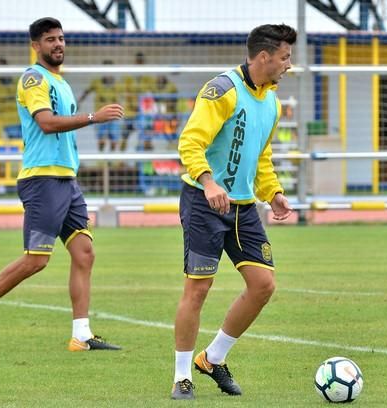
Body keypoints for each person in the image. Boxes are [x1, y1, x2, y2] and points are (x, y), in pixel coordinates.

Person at [0, 17, 124, 353]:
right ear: (36, 45)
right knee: (36, 260)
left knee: (84, 253)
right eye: (50, 39)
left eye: (61, 38)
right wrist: (94, 117)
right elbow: (46, 123)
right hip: (42, 178)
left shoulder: (61, 82)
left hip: (66, 179)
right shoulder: (34, 78)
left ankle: (81, 335)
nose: (58, 44)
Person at [170, 23, 296, 400]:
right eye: (286, 57)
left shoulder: (272, 101)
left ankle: (213, 358)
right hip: (203, 203)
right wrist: (209, 182)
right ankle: (181, 377)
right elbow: (191, 142)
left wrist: (272, 192)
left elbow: (261, 157)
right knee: (198, 288)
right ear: (264, 57)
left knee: (263, 284)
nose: (289, 64)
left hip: (243, 210)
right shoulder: (222, 90)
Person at [78, 60, 122, 152]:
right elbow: (87, 91)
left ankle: (111, 161)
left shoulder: (117, 84)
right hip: (99, 116)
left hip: (113, 116)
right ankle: (102, 161)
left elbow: (119, 100)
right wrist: (79, 102)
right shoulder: (97, 82)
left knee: (113, 141)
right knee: (101, 141)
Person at [121, 52, 154, 151]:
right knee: (124, 135)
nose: (139, 64)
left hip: (143, 112)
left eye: (141, 62)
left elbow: (150, 94)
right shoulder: (129, 78)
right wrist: (132, 104)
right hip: (130, 112)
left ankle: (145, 157)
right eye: (138, 62)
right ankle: (120, 159)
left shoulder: (148, 79)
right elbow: (126, 93)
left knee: (146, 134)